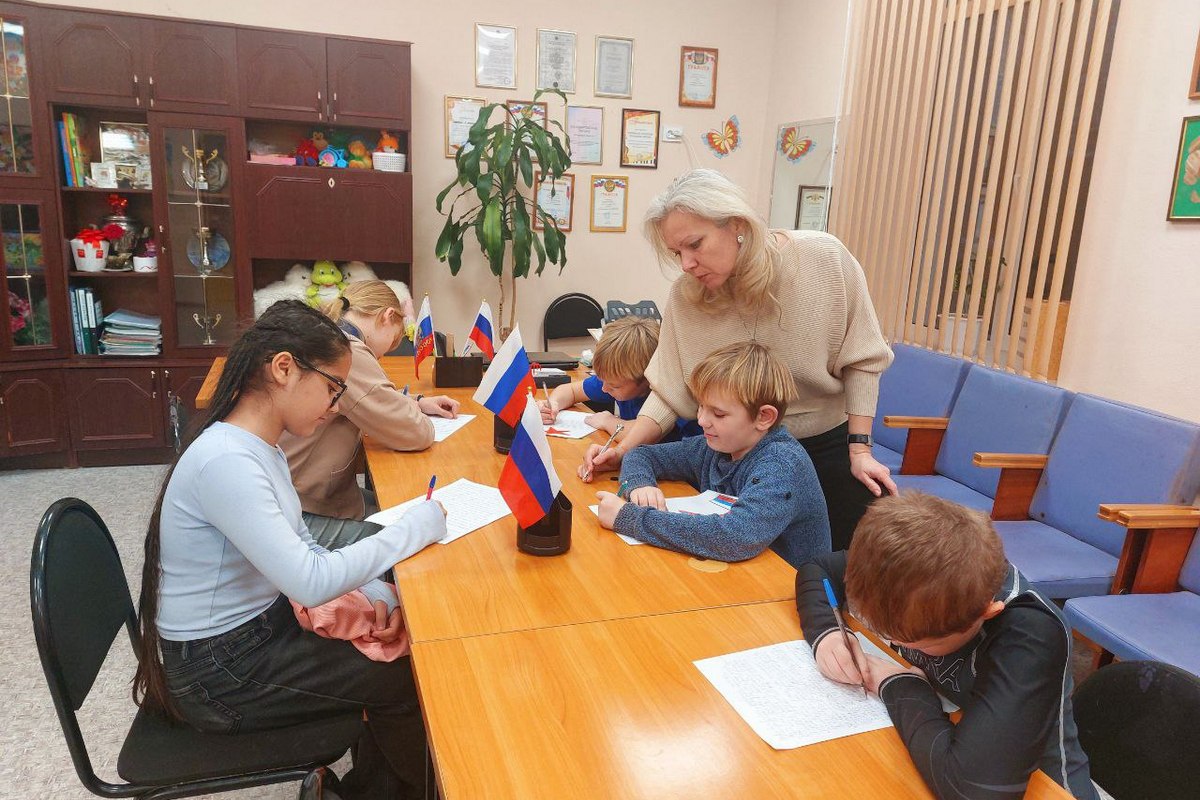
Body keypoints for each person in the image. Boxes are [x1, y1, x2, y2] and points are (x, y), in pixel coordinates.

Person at [133, 300, 446, 800]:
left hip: (251, 635)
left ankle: (369, 791)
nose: (335, 404)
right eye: (332, 387)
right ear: (283, 368)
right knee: (405, 678)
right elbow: (309, 580)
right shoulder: (227, 462)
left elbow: (304, 545)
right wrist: (413, 530)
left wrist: (375, 595)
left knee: (394, 648)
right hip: (217, 673)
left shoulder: (261, 448)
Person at [581, 168, 896, 551]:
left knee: (827, 566)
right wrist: (623, 448)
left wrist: (860, 449)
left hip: (828, 447)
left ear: (737, 224)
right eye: (677, 252)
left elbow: (862, 360)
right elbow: (670, 390)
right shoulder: (686, 296)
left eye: (695, 244)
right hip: (740, 451)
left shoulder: (823, 259)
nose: (686, 264)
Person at [796, 492, 1097, 800]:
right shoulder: (912, 565)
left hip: (1046, 786)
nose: (894, 643)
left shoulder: (1031, 633)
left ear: (987, 612)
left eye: (915, 643)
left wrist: (899, 684)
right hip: (951, 741)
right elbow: (819, 569)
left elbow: (974, 792)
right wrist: (829, 632)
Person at [594, 341, 830, 568]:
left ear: (764, 417)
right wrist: (639, 484)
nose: (702, 420)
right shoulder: (716, 446)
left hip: (785, 587)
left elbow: (735, 537)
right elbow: (641, 455)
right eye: (701, 407)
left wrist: (629, 518)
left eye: (718, 414)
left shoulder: (782, 464)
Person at [280, 280, 460, 522]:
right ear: (387, 316)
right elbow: (417, 433)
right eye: (392, 341)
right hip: (303, 508)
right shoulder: (348, 350)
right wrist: (414, 412)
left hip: (296, 489)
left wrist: (417, 402)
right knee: (417, 525)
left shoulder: (328, 335)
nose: (383, 355)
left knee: (401, 506)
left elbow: (371, 396)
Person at [538, 315, 701, 440]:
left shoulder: (669, 395)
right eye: (602, 381)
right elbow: (571, 391)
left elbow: (643, 435)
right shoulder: (617, 379)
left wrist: (608, 421)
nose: (604, 389)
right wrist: (554, 404)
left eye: (614, 386)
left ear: (647, 379)